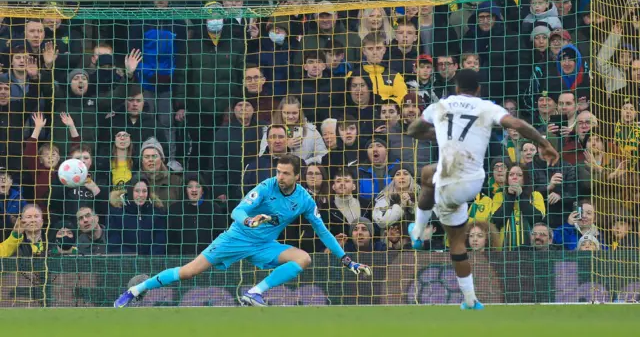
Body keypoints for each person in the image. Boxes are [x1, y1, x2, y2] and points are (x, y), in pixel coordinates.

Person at [114, 154, 371, 308]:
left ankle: (255, 292)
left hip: (264, 246)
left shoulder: (304, 199)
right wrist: (248, 221)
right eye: (278, 171)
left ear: (297, 176)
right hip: (236, 238)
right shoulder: (265, 187)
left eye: (285, 173)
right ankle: (135, 290)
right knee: (189, 271)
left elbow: (324, 232)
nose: (280, 176)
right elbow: (236, 211)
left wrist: (347, 261)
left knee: (303, 258)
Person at [407, 68, 559, 310]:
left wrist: (439, 134)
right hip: (474, 181)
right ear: (478, 89)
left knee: (455, 239)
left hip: (448, 186)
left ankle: (417, 232)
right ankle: (471, 301)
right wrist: (544, 143)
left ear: (456, 88)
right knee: (428, 174)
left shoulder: (442, 105)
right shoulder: (486, 106)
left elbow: (412, 130)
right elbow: (517, 123)